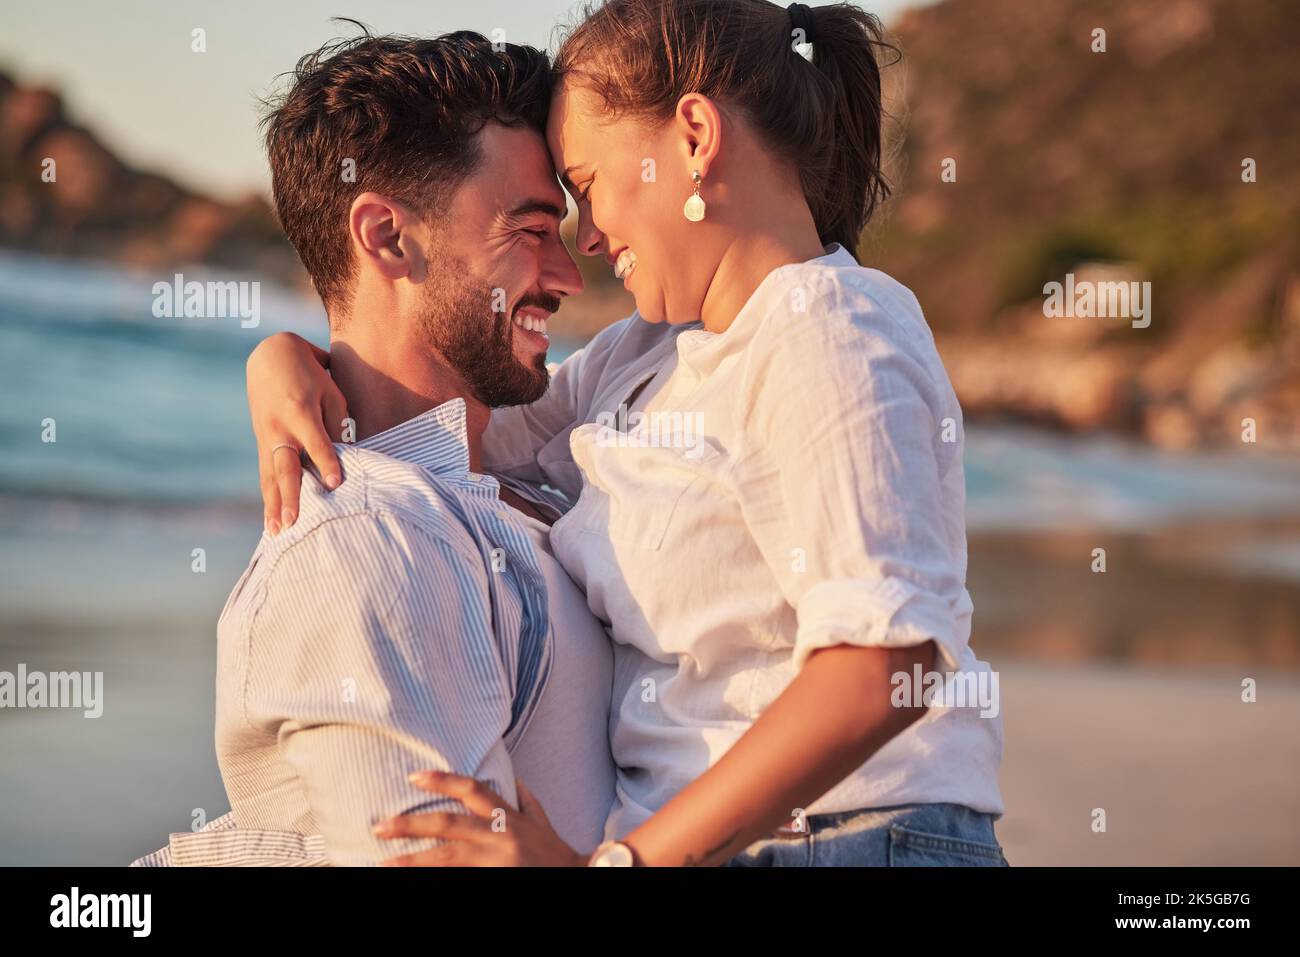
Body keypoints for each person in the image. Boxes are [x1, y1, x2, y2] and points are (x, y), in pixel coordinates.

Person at [248, 0, 1007, 867]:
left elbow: (884, 663)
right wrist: (290, 361)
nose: (591, 240)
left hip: (852, 836)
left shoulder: (828, 328)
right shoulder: (641, 357)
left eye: (588, 186)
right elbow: (447, 435)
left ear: (693, 136)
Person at [133, 30, 617, 867]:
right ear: (388, 238)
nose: (569, 276)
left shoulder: (531, 469)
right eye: (532, 229)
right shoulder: (368, 544)